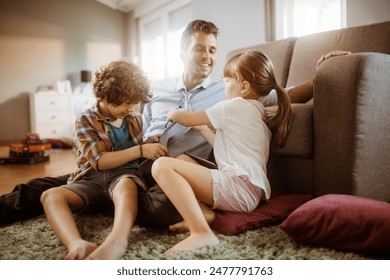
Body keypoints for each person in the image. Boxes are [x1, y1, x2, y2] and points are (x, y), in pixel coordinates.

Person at [0, 19, 348, 228]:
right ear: (183, 50)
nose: (208, 56)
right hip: (134, 160)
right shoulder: (159, 87)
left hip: (177, 173)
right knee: (50, 185)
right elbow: (124, 112)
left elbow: (282, 94)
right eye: (200, 49)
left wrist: (320, 76)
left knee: (152, 202)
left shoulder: (230, 95)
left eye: (213, 50)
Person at [151, 50, 294, 254]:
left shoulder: (232, 106)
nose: (224, 85)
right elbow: (223, 144)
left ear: (244, 87)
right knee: (183, 159)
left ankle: (201, 232)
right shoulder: (257, 111)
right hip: (248, 192)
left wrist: (174, 112)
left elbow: (186, 118)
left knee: (161, 165)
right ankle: (205, 216)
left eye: (227, 80)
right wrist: (203, 129)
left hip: (237, 187)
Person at [40, 60, 169, 260]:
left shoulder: (133, 118)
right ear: (107, 95)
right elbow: (100, 161)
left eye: (135, 103)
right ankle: (75, 243)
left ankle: (117, 240)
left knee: (127, 184)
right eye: (127, 102)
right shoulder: (85, 120)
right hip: (90, 179)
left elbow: (137, 147)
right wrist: (141, 149)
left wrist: (149, 142)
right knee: (50, 195)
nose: (131, 108)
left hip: (123, 177)